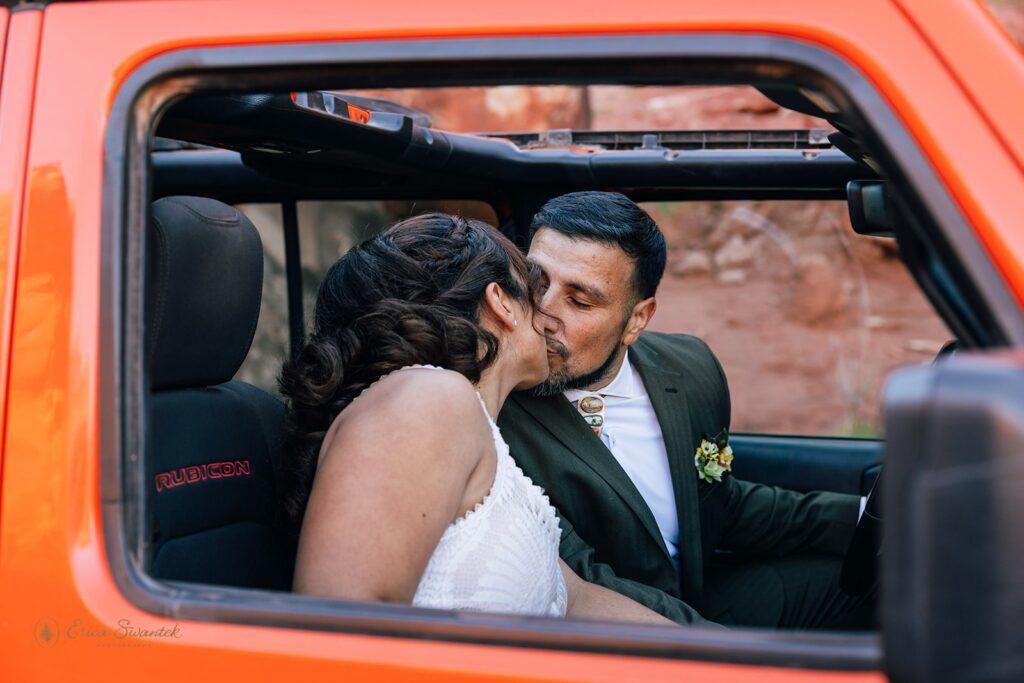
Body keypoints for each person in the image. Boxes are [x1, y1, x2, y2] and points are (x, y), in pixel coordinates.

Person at [497, 191, 875, 629]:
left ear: (637, 320)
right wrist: (718, 651)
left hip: (702, 594)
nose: (542, 313)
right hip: (615, 632)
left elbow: (716, 502)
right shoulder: (495, 408)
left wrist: (866, 518)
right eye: (535, 281)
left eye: (580, 301)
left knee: (886, 583)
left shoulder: (690, 368)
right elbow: (577, 578)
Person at [281, 212, 672, 623]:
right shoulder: (428, 398)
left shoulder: (474, 428)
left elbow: (575, 598)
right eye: (535, 285)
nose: (549, 312)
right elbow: (340, 626)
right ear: (502, 302)